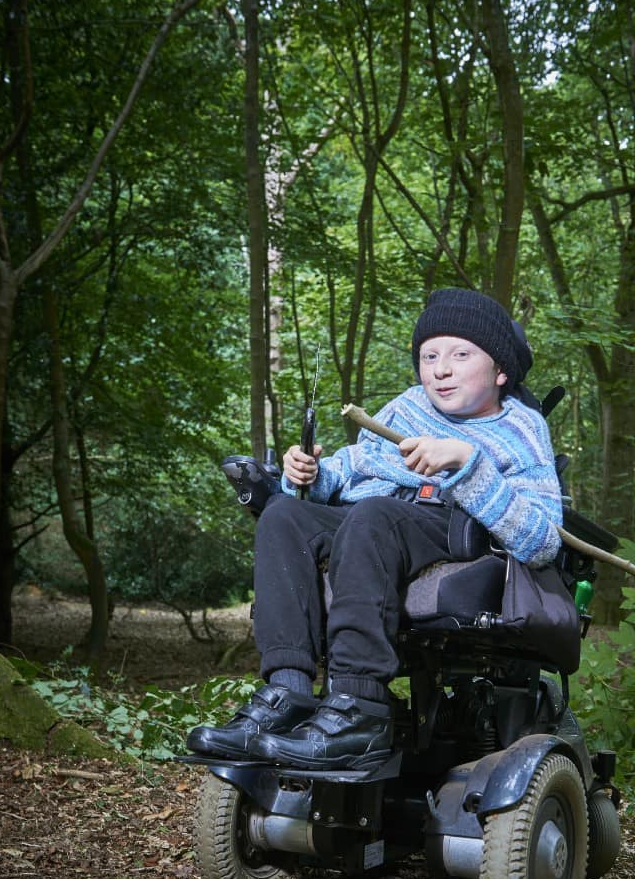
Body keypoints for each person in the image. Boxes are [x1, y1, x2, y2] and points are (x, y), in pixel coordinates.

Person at [187, 288, 563, 771]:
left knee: (373, 516)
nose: (440, 369)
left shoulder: (522, 428)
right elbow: (354, 466)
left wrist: (467, 463)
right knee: (282, 514)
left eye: (460, 354)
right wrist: (313, 476)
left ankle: (357, 706)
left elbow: (543, 541)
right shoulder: (407, 407)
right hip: (376, 521)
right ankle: (288, 692)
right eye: (429, 356)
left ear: (500, 370)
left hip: (448, 530)